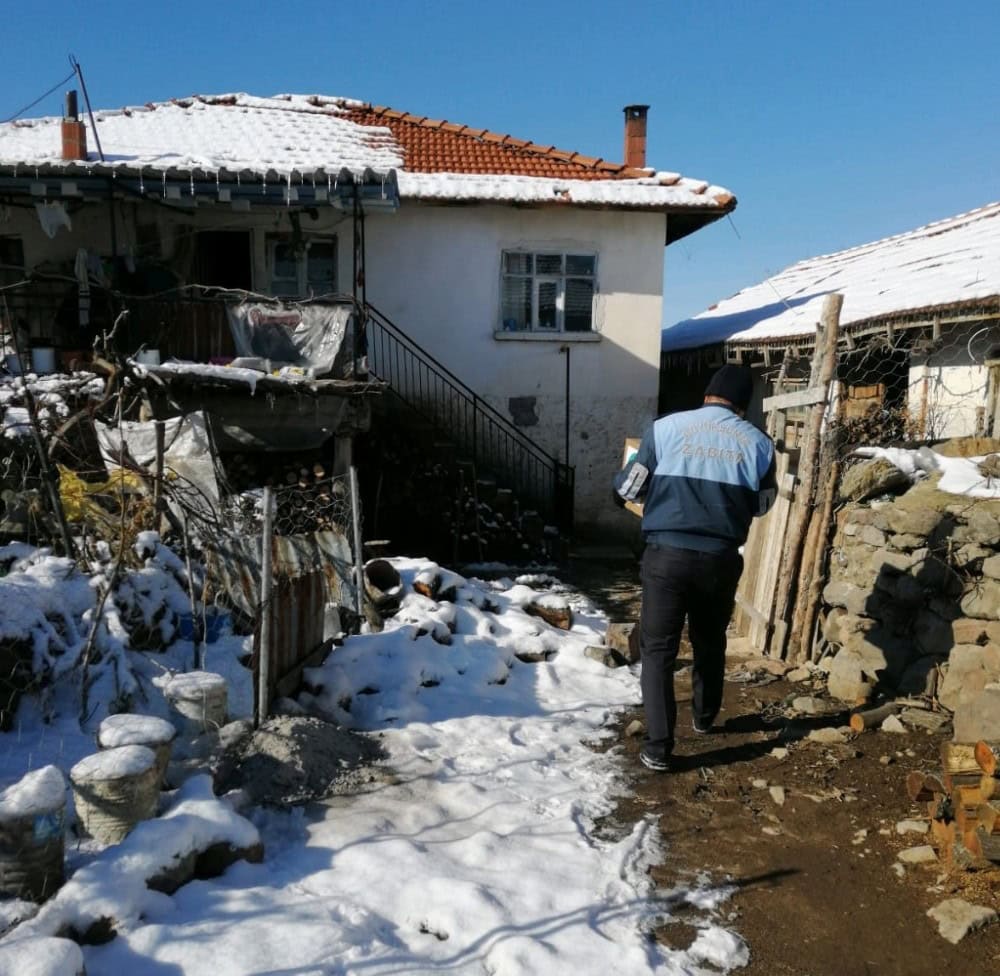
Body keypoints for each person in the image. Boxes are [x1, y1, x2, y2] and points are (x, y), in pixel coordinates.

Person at [613, 365, 777, 772]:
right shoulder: (759, 444)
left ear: (707, 395)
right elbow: (762, 504)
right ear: (742, 406)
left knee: (658, 649)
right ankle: (704, 716)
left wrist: (631, 495)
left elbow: (630, 487)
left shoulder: (664, 429)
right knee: (709, 639)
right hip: (720, 559)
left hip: (666, 558)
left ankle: (658, 747)